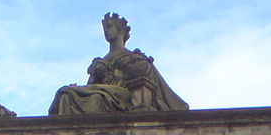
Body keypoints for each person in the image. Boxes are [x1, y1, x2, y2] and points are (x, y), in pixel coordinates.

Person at [49, 13, 189, 116]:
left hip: (121, 96)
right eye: (104, 28)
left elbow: (144, 77)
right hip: (102, 91)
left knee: (95, 99)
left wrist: (126, 66)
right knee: (67, 95)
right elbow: (91, 85)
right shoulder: (100, 61)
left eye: (109, 27)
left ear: (120, 30)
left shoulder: (133, 57)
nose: (106, 31)